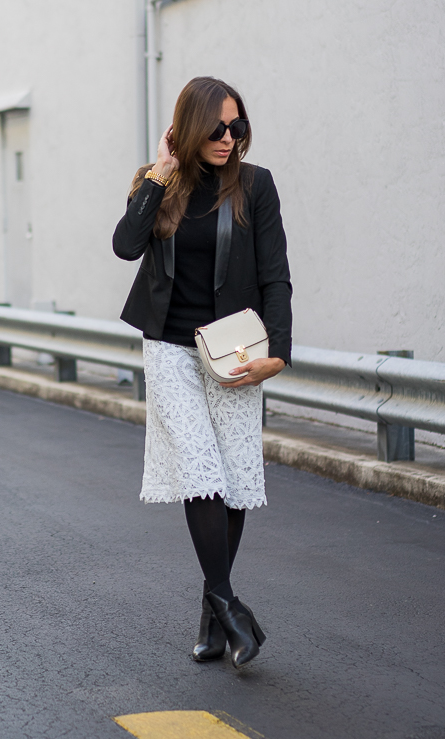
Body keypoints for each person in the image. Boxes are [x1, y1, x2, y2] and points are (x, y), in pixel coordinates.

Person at [112, 76, 292, 667]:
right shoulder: (158, 185)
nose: (228, 137)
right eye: (215, 127)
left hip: (235, 351)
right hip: (169, 348)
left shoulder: (255, 185)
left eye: (236, 126)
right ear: (188, 128)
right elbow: (125, 245)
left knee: (234, 476)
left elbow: (275, 277)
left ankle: (213, 611)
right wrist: (160, 173)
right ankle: (229, 606)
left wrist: (278, 353)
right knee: (201, 470)